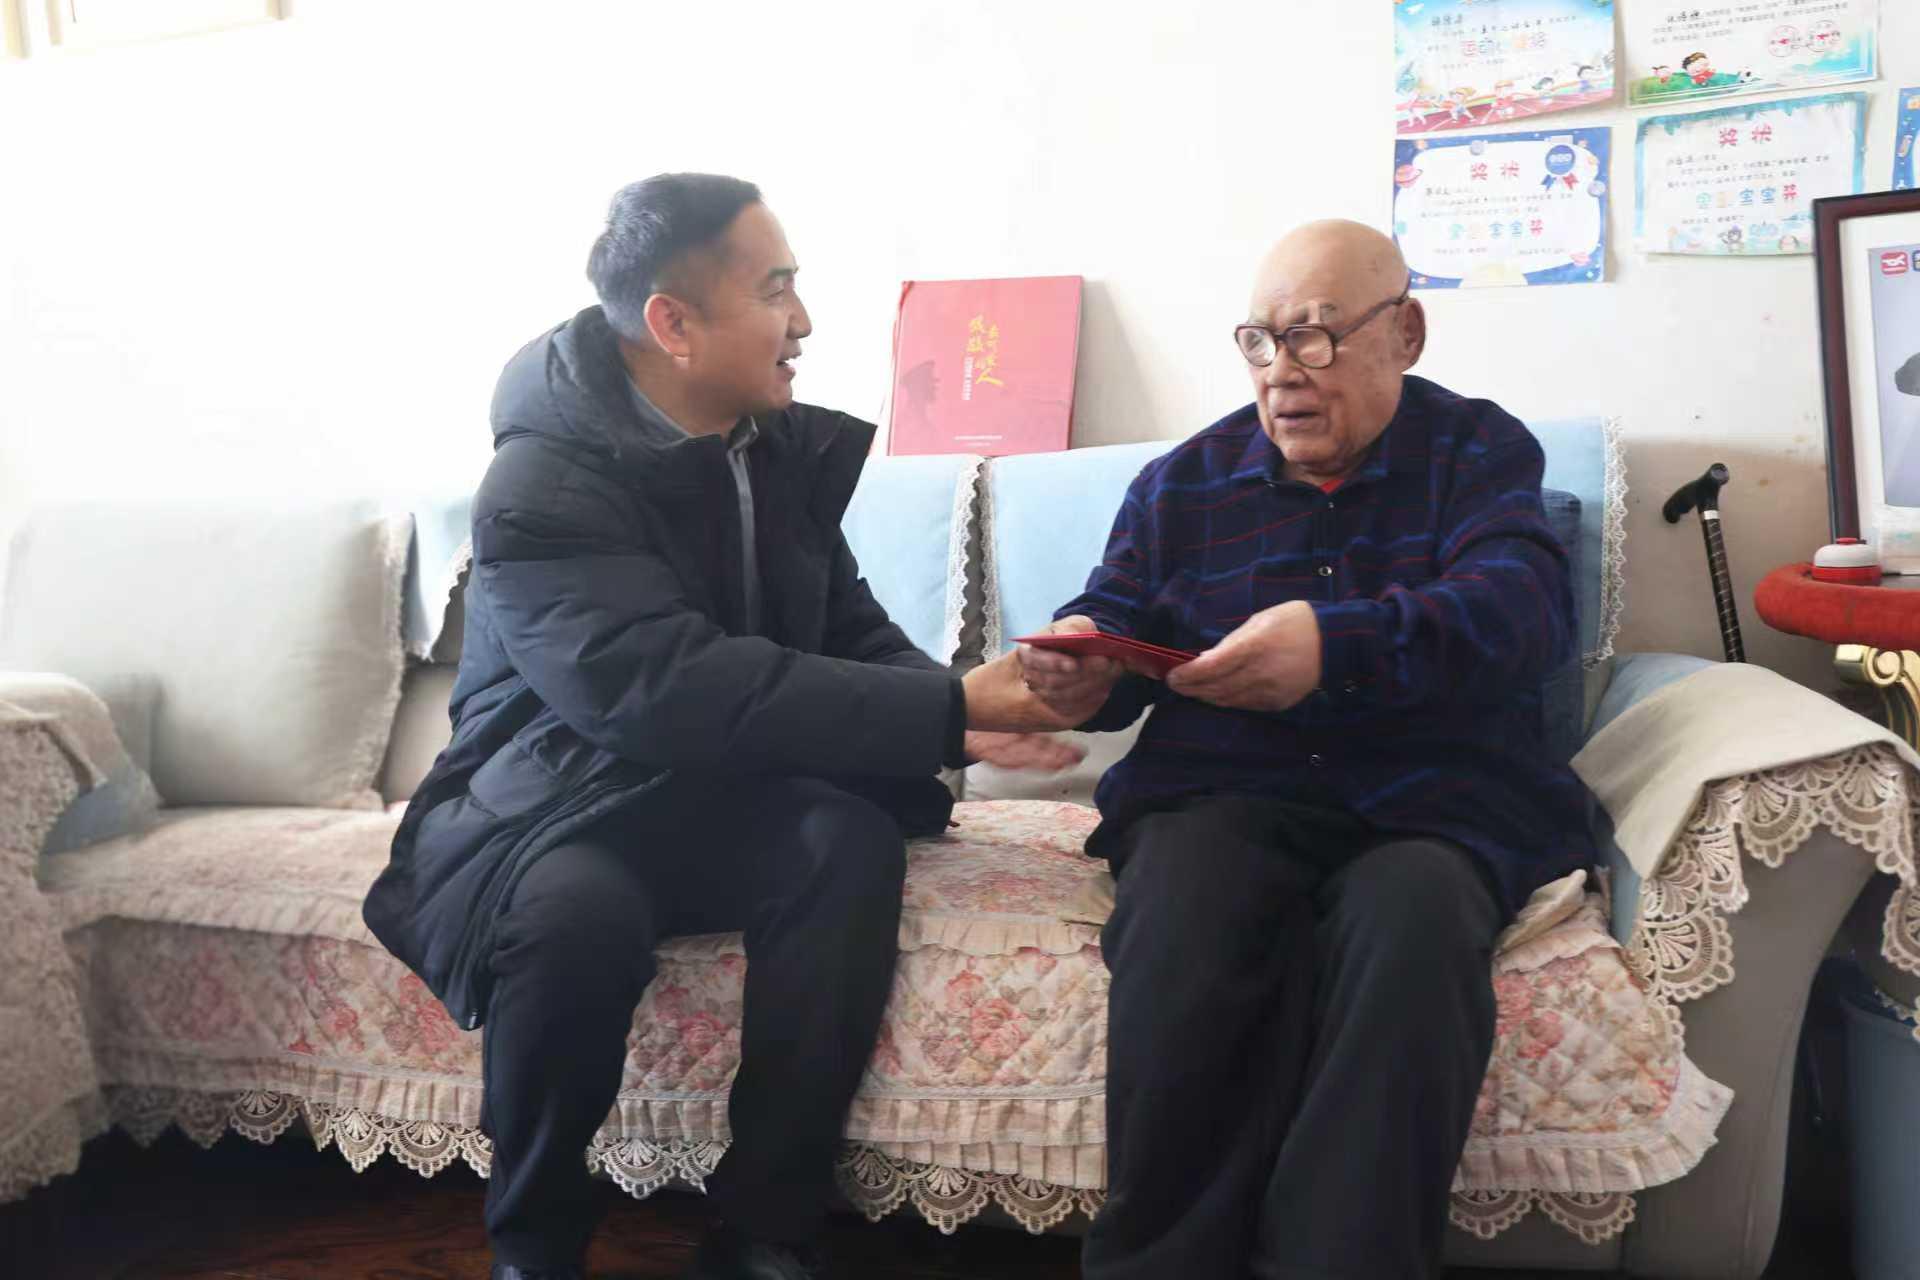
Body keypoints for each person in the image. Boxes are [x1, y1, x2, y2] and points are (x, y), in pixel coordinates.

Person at [363, 173, 1092, 1280]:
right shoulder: (540, 480)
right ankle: (534, 1245)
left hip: (713, 791)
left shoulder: (769, 450)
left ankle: (765, 1228)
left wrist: (960, 718)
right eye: (776, 289)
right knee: (574, 925)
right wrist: (948, 707)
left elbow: (844, 623)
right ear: (675, 324)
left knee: (844, 842)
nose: (805, 321)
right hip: (563, 799)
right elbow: (659, 686)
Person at [1019, 220, 1595, 1280]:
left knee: (1414, 924)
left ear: (1405, 333)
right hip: (1224, 793)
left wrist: (1336, 646)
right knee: (1187, 914)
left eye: (1316, 336)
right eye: (1261, 340)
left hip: (1431, 804)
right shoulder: (1182, 481)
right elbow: (1118, 616)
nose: (1282, 371)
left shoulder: (1477, 452)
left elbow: (1521, 611)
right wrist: (1083, 661)